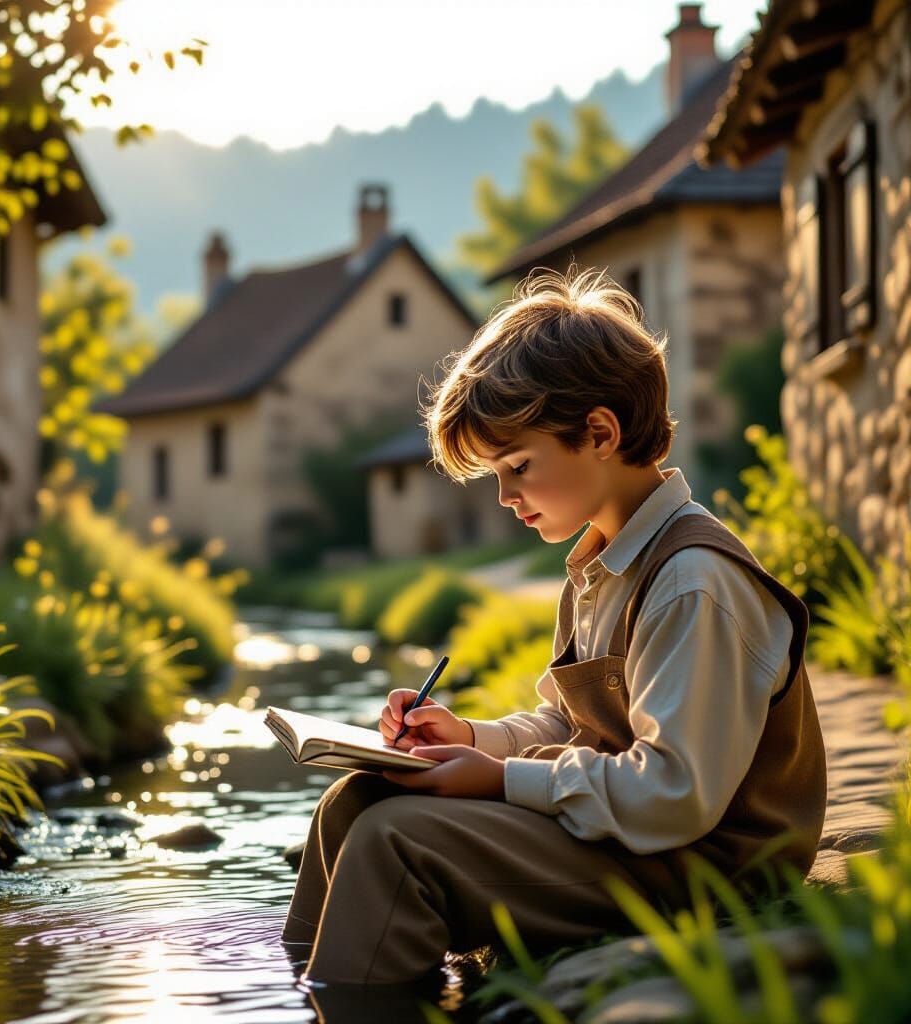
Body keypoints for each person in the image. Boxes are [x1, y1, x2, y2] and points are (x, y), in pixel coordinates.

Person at [281, 267, 827, 988]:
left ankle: (355, 1000)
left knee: (395, 841)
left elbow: (674, 795)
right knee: (356, 804)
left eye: (518, 467)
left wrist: (503, 780)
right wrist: (472, 740)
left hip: (704, 868)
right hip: (632, 839)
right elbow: (571, 724)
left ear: (600, 432)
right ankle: (306, 992)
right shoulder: (602, 564)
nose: (504, 497)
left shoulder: (694, 582)